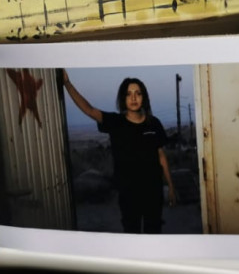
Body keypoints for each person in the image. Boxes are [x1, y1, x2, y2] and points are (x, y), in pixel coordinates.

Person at [62, 72, 178, 234]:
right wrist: (67, 83)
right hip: (128, 194)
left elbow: (161, 156)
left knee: (154, 234)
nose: (133, 98)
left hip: (153, 191)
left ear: (144, 98)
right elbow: (89, 110)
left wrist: (171, 187)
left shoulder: (154, 123)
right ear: (123, 98)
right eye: (128, 94)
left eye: (138, 93)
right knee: (132, 234)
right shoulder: (116, 122)